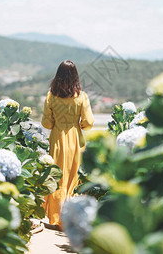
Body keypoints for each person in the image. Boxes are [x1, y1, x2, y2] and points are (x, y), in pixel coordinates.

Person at [41, 60, 94, 230]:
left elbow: (46, 124)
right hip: (76, 140)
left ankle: (57, 219)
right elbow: (88, 122)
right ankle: (74, 220)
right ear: (75, 76)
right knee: (75, 179)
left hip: (57, 139)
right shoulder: (81, 96)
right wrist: (77, 125)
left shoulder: (51, 96)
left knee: (57, 178)